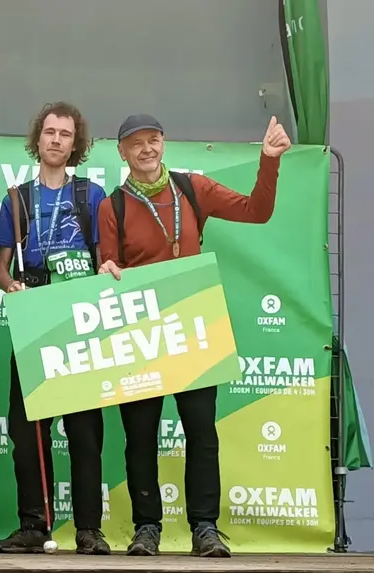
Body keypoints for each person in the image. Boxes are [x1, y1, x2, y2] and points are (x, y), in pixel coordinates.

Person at [97, 113, 291, 559]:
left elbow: (257, 212)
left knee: (201, 431)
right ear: (122, 152)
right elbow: (107, 265)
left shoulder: (192, 188)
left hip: (193, 325)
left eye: (154, 140)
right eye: (136, 143)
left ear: (163, 143)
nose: (146, 148)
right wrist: (107, 269)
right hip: (142, 331)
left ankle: (205, 527)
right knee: (140, 434)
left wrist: (269, 160)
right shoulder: (114, 206)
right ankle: (147, 528)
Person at [0, 102, 119, 556]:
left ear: (75, 143)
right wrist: (13, 288)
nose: (56, 140)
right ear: (37, 139)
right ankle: (33, 525)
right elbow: (0, 271)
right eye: (49, 132)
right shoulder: (16, 199)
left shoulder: (93, 195)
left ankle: (88, 529)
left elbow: (106, 255)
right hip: (34, 312)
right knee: (27, 429)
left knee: (84, 429)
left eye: (65, 134)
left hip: (78, 316)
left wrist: (107, 268)